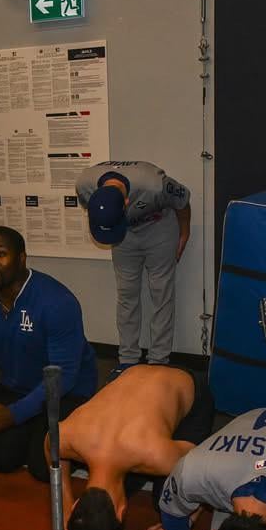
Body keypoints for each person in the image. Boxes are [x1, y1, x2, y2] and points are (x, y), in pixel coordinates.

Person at [0, 226, 98, 481]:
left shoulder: (57, 301)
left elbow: (63, 375)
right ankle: (35, 424)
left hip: (67, 391)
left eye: (0, 254)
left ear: (22, 258)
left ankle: (74, 428)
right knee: (3, 462)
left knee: (42, 469)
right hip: (18, 385)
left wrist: (14, 415)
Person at [52, 364, 214, 530]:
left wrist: (183, 523)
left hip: (184, 384)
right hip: (131, 373)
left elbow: (207, 470)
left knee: (166, 502)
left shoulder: (158, 457)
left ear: (122, 512)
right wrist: (64, 501)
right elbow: (50, 447)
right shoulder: (69, 438)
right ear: (77, 503)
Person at [75, 161, 191, 377]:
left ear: (127, 201)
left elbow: (183, 199)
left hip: (159, 228)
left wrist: (185, 232)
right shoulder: (84, 185)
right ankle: (127, 360)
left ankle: (158, 362)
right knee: (126, 294)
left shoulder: (154, 184)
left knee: (161, 292)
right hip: (125, 233)